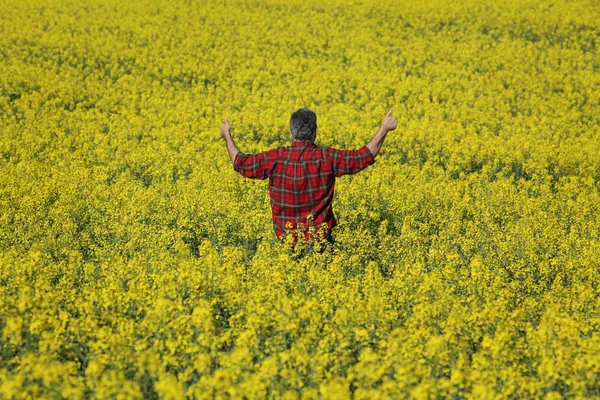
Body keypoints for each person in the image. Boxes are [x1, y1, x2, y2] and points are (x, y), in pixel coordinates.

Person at [219, 107, 397, 252]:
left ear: (292, 131)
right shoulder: (326, 157)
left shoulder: (275, 158)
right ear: (315, 132)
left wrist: (227, 135)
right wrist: (384, 129)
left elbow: (240, 162)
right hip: (320, 243)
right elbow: (361, 157)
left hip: (286, 244)